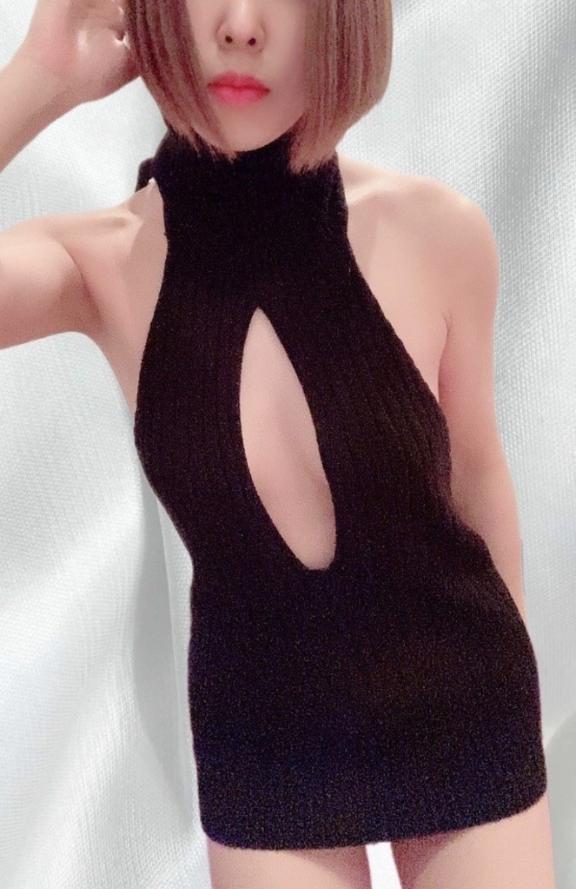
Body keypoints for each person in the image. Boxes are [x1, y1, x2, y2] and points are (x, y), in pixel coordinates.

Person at [0, 1, 557, 888]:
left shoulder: (436, 230)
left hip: (464, 701)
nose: (241, 24)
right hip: (262, 738)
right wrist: (38, 80)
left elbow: (480, 478)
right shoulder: (100, 262)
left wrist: (521, 717)